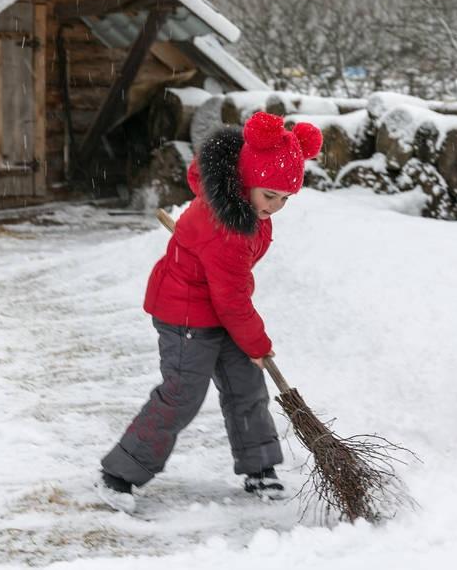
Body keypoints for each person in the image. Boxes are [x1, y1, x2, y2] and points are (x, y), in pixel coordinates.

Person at [97, 112, 323, 514]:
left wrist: (247, 343)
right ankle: (120, 472)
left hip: (220, 304)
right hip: (184, 311)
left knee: (245, 385)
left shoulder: (243, 203)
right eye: (270, 195)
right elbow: (233, 297)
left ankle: (260, 467)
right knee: (182, 394)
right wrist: (257, 342)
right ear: (247, 180)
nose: (276, 207)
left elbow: (230, 293)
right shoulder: (230, 226)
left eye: (285, 198)